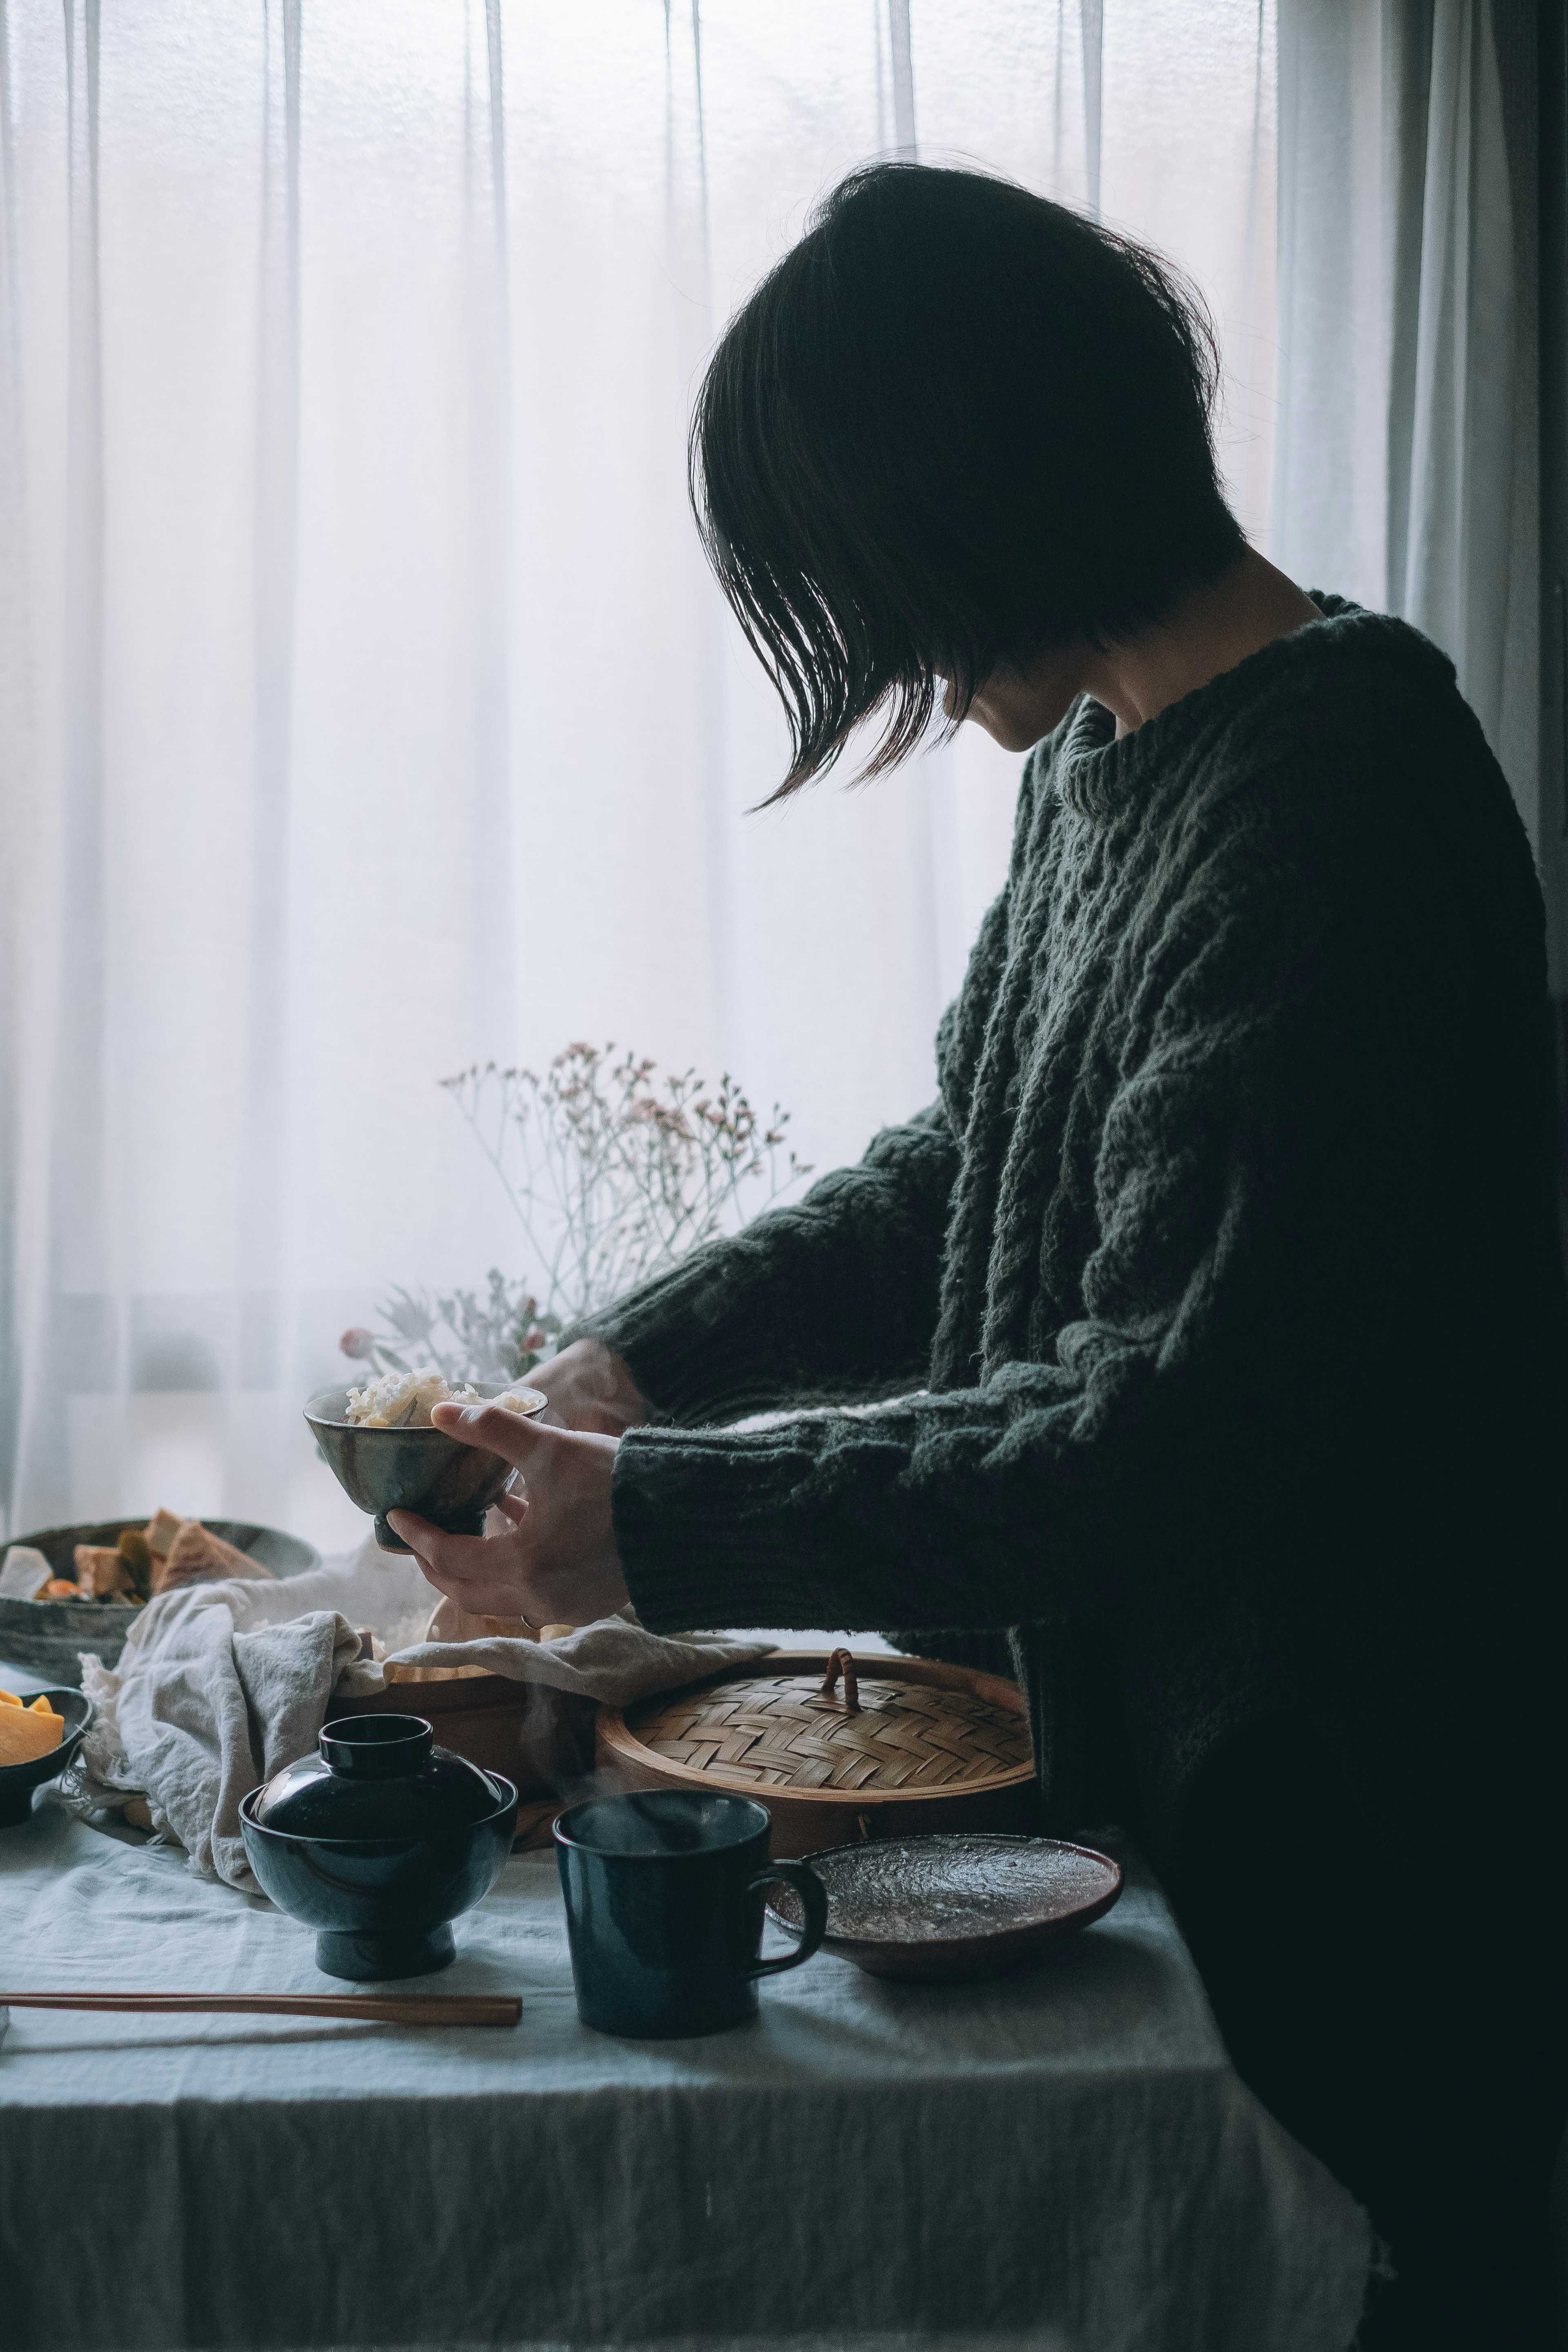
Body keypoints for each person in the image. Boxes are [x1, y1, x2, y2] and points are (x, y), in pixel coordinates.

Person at [389, 165, 1568, 2347]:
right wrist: (628, 1368)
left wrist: (650, 1524)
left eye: (874, 580)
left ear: (989, 505)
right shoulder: (1117, 758)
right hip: (1162, 1803)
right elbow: (967, 1168)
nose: (895, 654)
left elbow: (1167, 1429)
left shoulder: (1344, 797)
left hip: (1353, 1862)